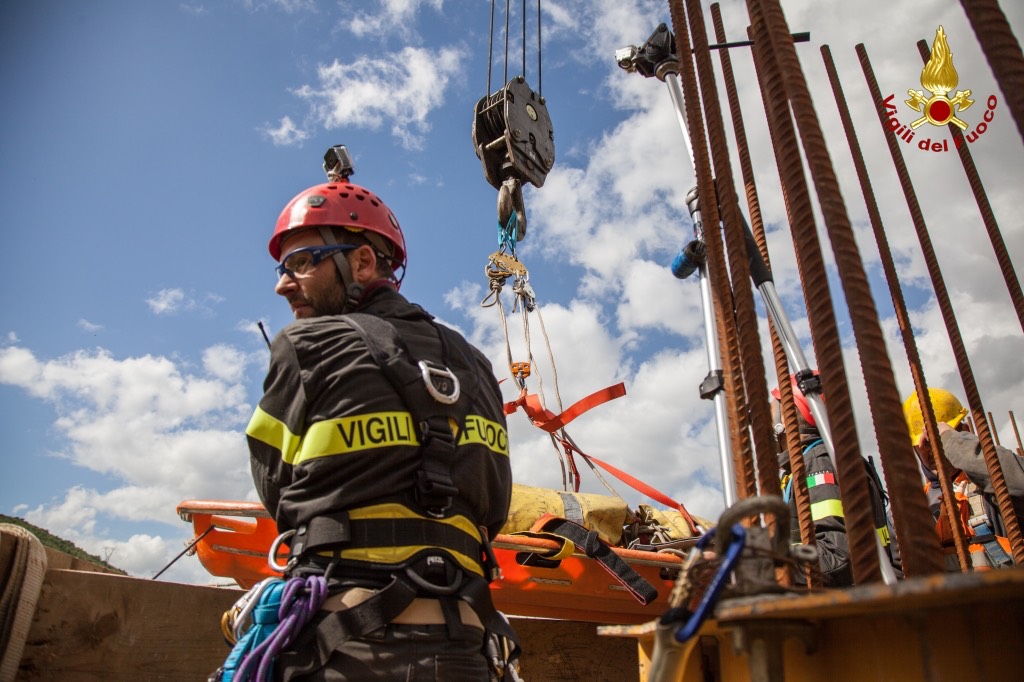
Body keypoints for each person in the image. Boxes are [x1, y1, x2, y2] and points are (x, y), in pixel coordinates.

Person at [244, 173, 516, 680]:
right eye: (283, 268)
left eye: (301, 263)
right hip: (467, 650)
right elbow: (493, 509)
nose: (282, 283)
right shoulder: (477, 366)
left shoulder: (306, 346)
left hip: (342, 648)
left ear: (363, 262)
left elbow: (276, 489)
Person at [771, 374, 901, 586]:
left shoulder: (817, 463)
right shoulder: (822, 460)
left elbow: (837, 556)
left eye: (773, 415)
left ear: (787, 419)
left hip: (850, 600)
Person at [903, 387, 1024, 566]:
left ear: (965, 431)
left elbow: (1018, 481)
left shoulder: (990, 484)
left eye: (939, 440)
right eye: (926, 443)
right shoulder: (912, 509)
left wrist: (950, 440)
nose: (934, 450)